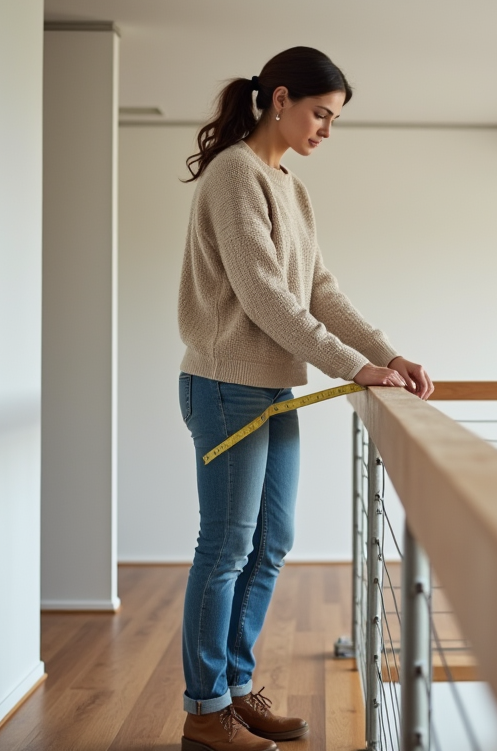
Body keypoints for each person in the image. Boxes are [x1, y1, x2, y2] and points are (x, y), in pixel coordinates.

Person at [176, 46, 433, 751]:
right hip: (226, 384)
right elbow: (265, 298)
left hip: (271, 387)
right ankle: (204, 712)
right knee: (226, 546)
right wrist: (355, 367)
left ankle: (232, 689)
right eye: (322, 114)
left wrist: (385, 355)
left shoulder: (289, 186)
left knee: (271, 541)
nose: (327, 129)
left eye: (334, 119)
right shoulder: (235, 174)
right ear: (280, 99)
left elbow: (319, 291)